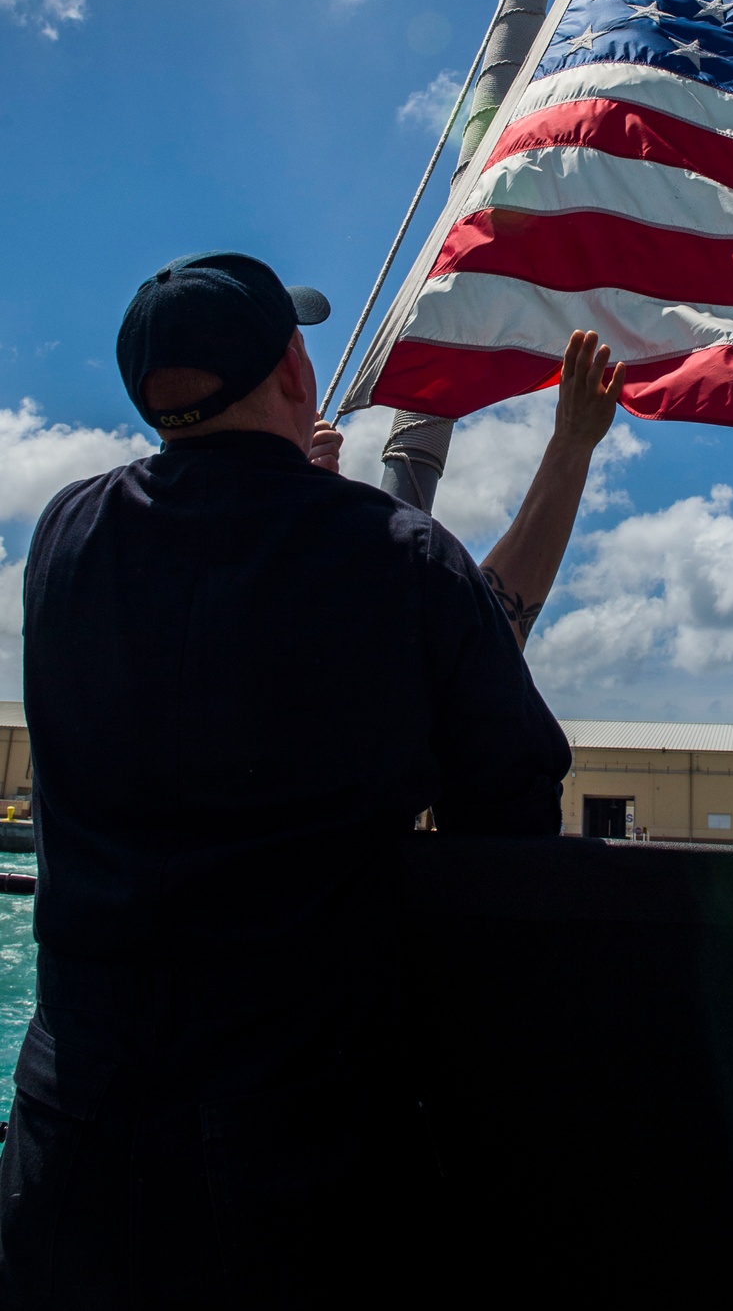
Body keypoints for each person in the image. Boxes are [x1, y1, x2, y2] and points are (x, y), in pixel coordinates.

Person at [0, 251, 625, 1308]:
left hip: (73, 1153)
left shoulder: (65, 537)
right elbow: (505, 798)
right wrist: (564, 451)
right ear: (296, 368)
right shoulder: (395, 561)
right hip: (298, 1169)